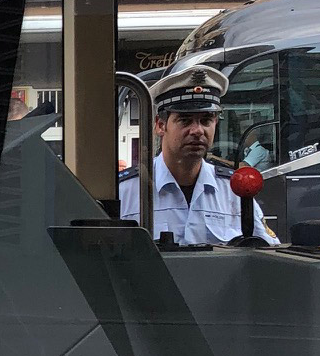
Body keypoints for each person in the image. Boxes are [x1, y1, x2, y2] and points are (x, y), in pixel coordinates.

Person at [119, 65, 278, 246]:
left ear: (215, 123)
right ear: (160, 125)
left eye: (206, 120)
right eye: (185, 120)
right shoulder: (127, 192)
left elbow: (267, 252)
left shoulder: (233, 192)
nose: (197, 130)